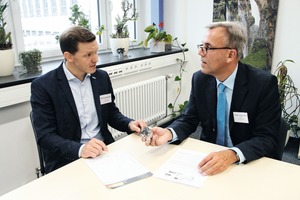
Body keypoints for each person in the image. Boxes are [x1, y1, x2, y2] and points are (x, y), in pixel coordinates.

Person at [144, 21, 281, 176]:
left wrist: (232, 154)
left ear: (231, 54)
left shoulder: (263, 84)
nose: (200, 53)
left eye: (208, 48)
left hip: (248, 162)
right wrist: (170, 133)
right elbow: (190, 118)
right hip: (209, 160)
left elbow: (267, 138)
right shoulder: (200, 79)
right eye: (201, 46)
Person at [30, 26, 147, 173]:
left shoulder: (101, 77)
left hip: (104, 152)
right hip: (68, 159)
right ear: (69, 56)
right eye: (88, 55)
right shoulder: (44, 86)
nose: (96, 59)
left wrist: (129, 124)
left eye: (96, 52)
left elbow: (111, 114)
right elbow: (45, 137)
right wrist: (81, 149)